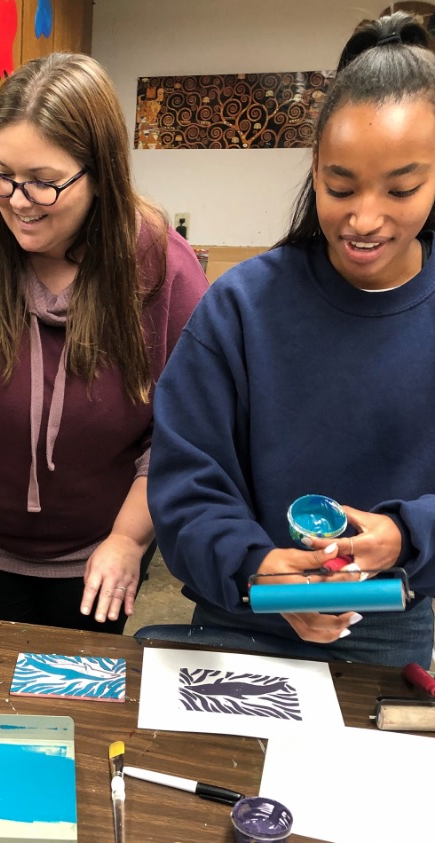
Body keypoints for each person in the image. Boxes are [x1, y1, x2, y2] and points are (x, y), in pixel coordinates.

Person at [147, 12, 435, 667]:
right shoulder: (241, 306)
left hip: (388, 624)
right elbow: (184, 487)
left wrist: (406, 536)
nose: (363, 217)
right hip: (239, 613)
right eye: (339, 187)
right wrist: (255, 566)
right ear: (313, 169)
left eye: (401, 188)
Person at [0, 53, 208, 632]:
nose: (15, 198)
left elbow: (180, 434)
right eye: (2, 173)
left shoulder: (166, 272)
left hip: (99, 555)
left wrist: (129, 540)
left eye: (43, 182)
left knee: (74, 711)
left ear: (100, 173)